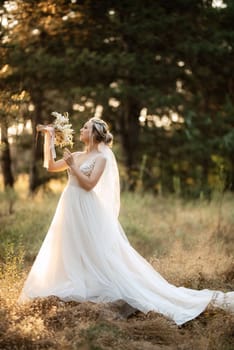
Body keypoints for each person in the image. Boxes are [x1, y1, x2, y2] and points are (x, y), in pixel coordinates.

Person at [19, 117, 234, 326]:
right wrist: (49, 137)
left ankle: (115, 292)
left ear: (95, 134)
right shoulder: (76, 154)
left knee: (96, 251)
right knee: (68, 246)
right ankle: (76, 284)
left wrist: (73, 167)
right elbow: (50, 165)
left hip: (87, 207)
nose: (81, 130)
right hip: (69, 207)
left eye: (86, 128)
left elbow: (89, 185)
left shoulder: (101, 158)